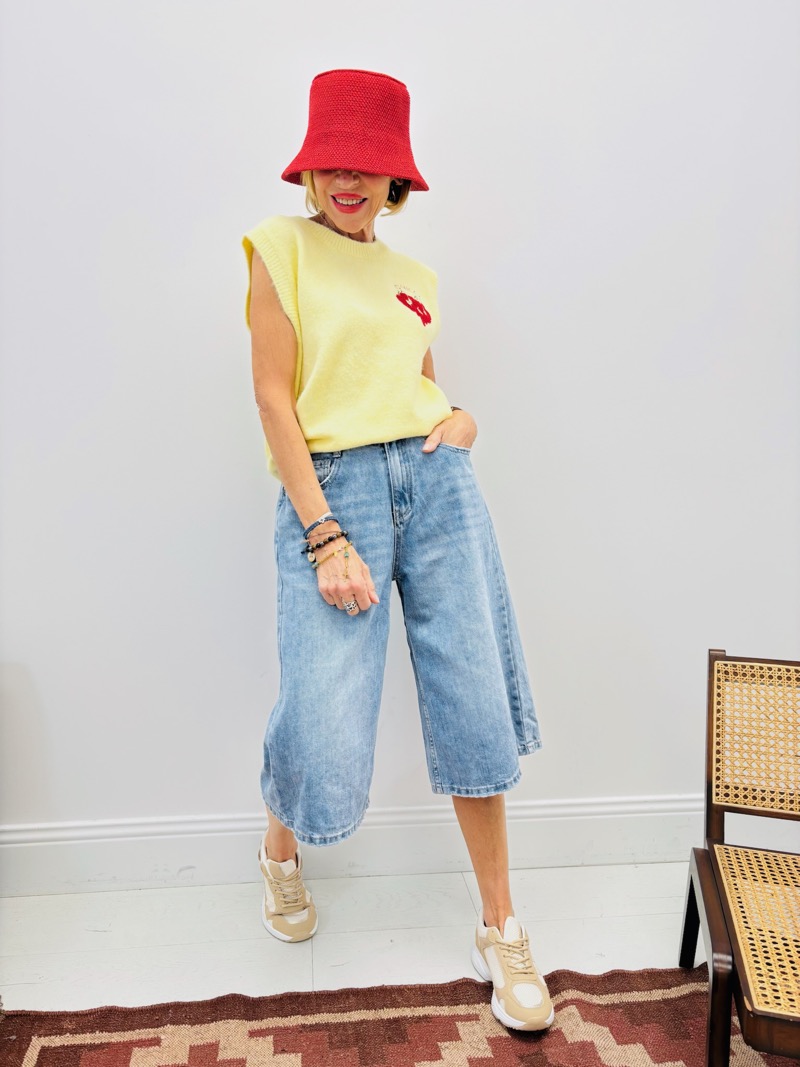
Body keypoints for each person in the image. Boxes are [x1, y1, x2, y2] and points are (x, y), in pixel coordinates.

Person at [242, 68, 553, 1032]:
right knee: (323, 705)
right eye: (334, 163)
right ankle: (280, 850)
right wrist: (324, 531)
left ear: (396, 179)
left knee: (470, 691)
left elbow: (415, 383)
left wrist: (459, 420)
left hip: (436, 483)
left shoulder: (415, 278)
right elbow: (273, 396)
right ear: (311, 170)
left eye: (368, 166)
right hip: (335, 491)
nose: (349, 181)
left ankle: (502, 925)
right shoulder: (279, 249)